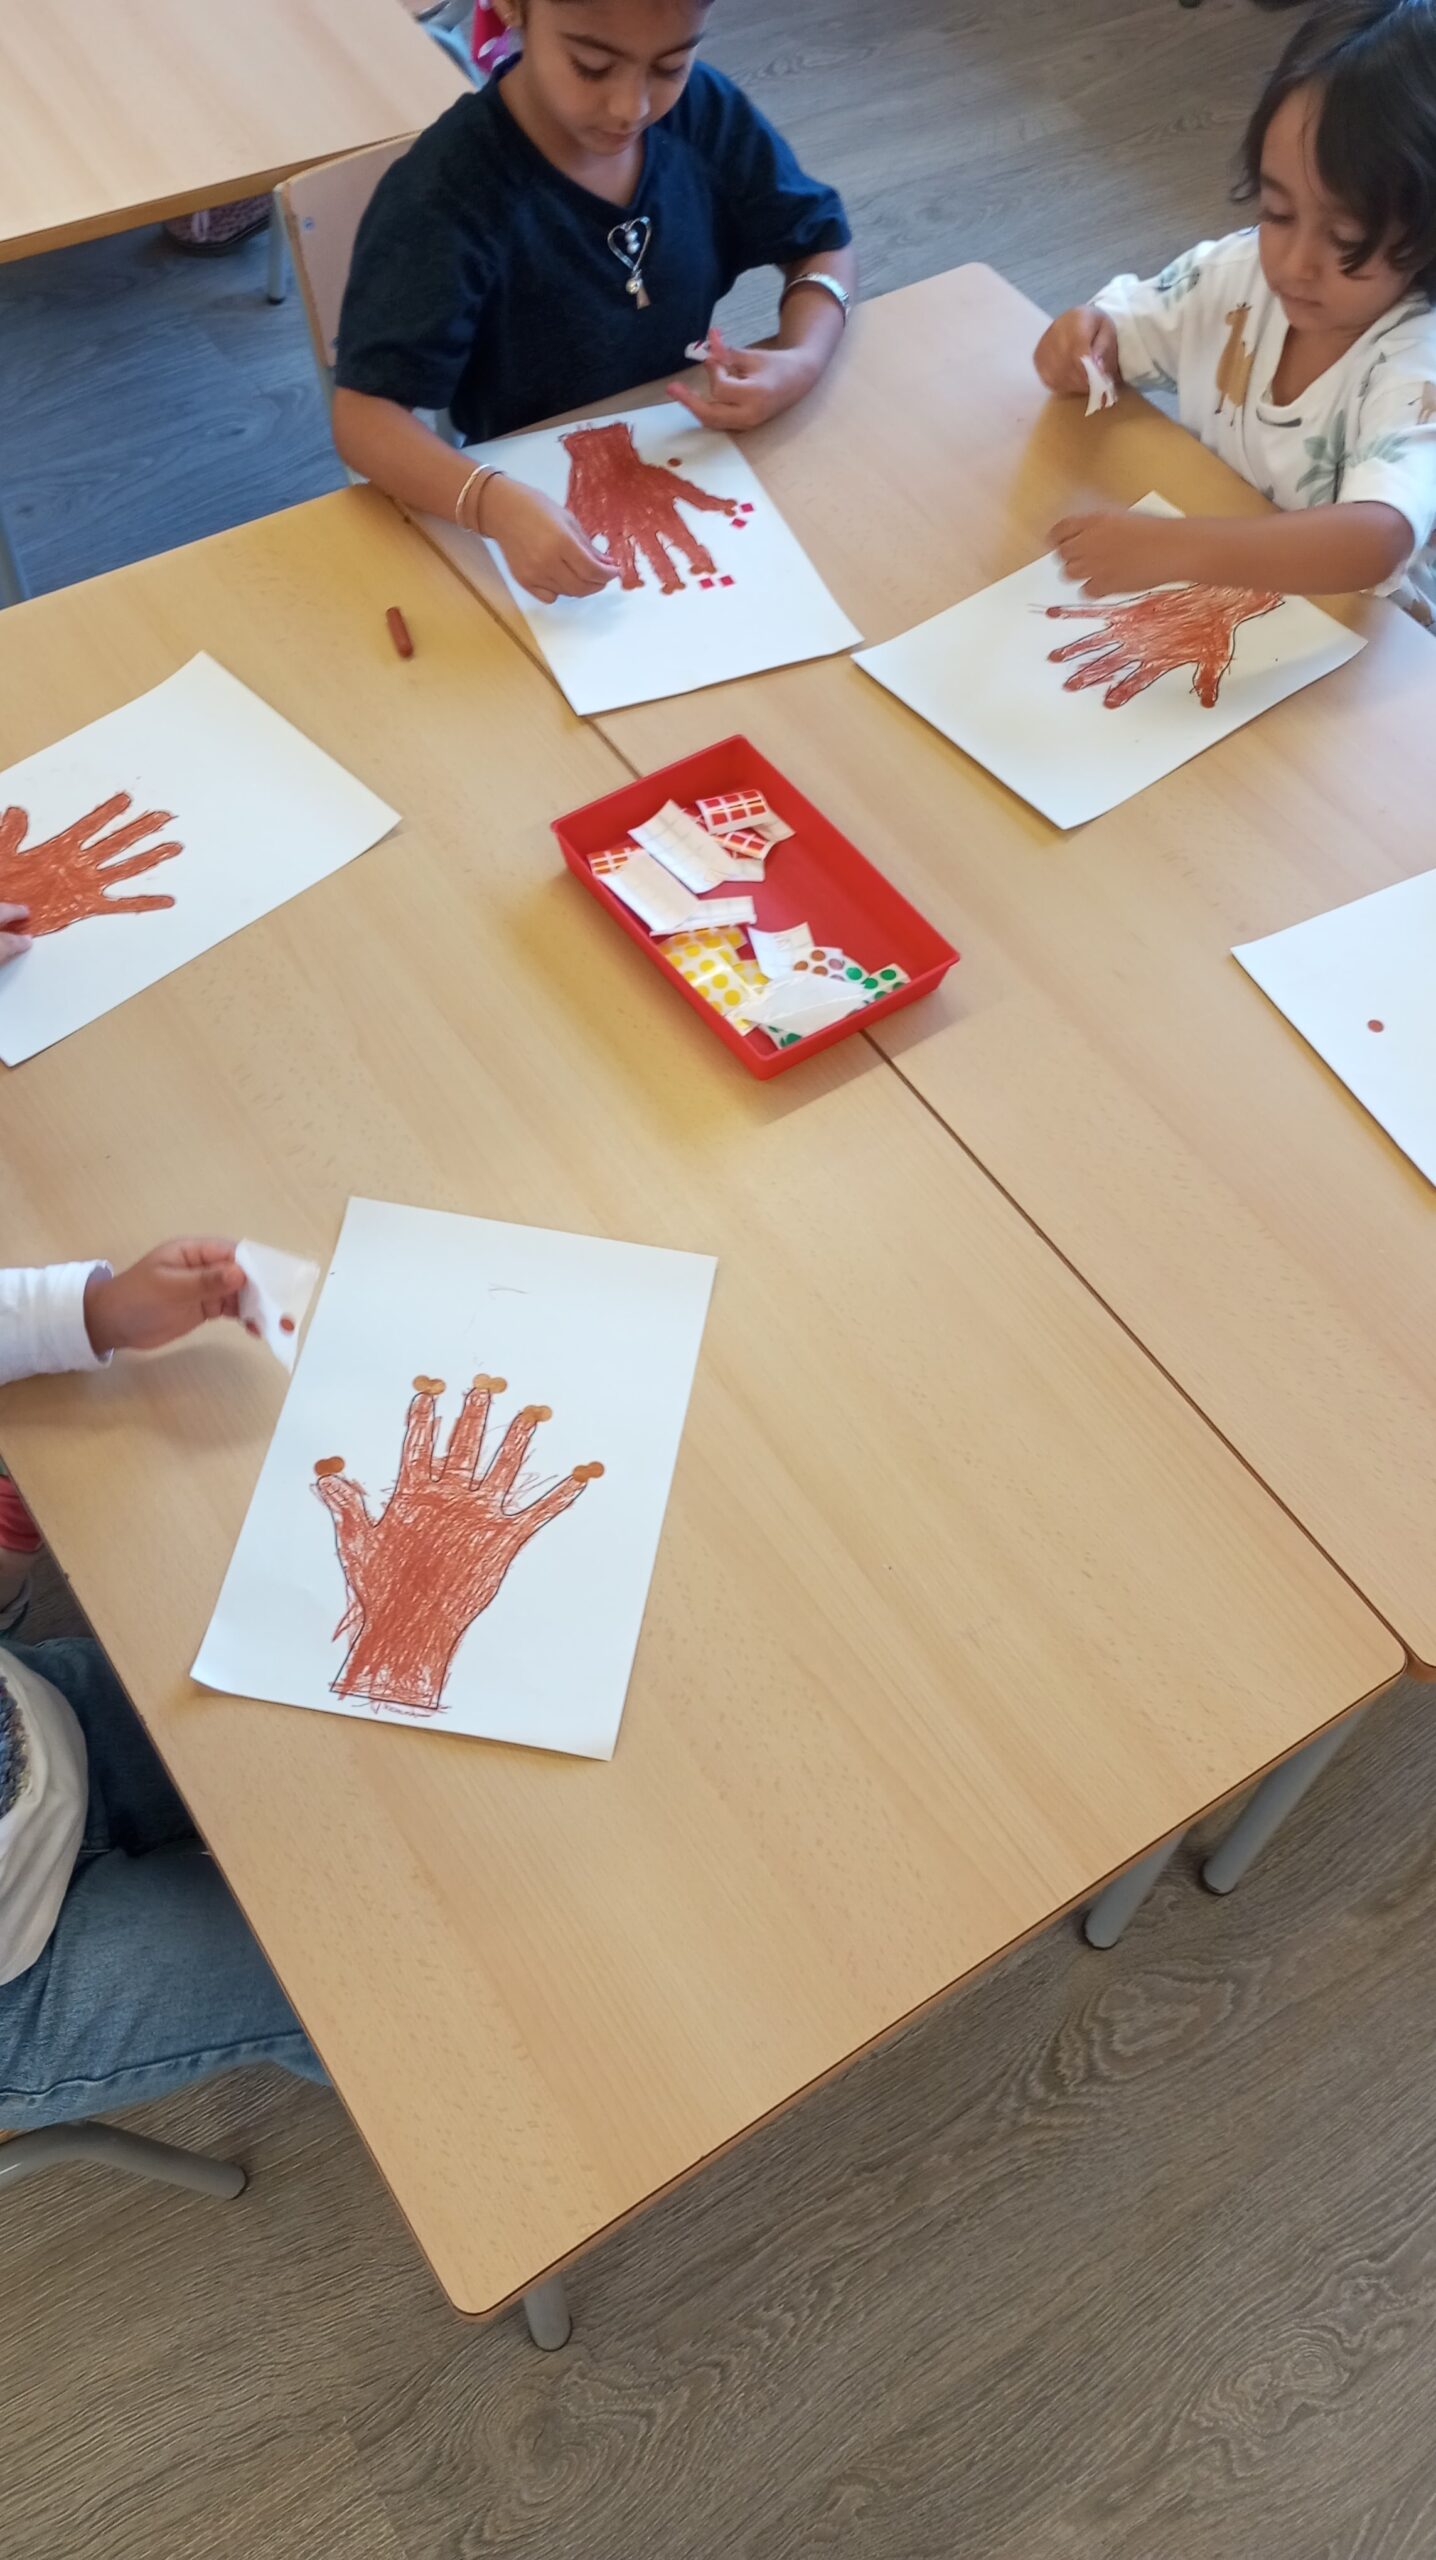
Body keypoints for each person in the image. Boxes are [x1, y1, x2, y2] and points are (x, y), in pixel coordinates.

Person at [332, 0, 855, 602]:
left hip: (687, 445)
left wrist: (804, 357)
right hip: (530, 488)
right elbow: (364, 418)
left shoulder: (704, 112)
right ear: (511, 8)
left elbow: (822, 243)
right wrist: (490, 502)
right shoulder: (446, 192)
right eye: (591, 66)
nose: (631, 108)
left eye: (670, 66)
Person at [0, 1242, 325, 2129]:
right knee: (338, 1975)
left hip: (48, 1728)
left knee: (316, 1739)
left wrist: (92, 1313)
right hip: (29, 1986)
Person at [1033, 0, 1436, 619]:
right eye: (1278, 213)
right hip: (1235, 599)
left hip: (1374, 642)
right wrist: (1080, 342)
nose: (1295, 263)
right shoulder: (1235, 276)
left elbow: (1375, 541)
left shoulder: (1417, 362)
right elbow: (1112, 339)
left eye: (1346, 237)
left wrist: (1173, 548)